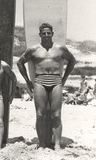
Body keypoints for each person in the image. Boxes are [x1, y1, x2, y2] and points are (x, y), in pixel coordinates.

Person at [17, 22, 75, 150]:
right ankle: (42, 143)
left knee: (56, 115)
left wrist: (64, 78)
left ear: (52, 34)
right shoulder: (33, 49)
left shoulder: (61, 49)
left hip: (56, 81)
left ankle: (57, 144)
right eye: (44, 33)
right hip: (39, 81)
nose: (47, 35)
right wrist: (27, 81)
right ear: (40, 35)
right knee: (40, 114)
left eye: (49, 33)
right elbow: (20, 63)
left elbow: (72, 61)